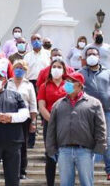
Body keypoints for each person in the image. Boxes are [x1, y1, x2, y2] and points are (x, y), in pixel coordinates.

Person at [46, 71, 107, 186]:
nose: (66, 84)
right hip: (64, 151)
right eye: (66, 81)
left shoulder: (94, 103)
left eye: (70, 82)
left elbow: (101, 128)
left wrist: (100, 147)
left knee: (87, 183)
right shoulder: (58, 104)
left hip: (85, 151)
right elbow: (51, 130)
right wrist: (51, 149)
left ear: (79, 85)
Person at [78, 46, 110, 181]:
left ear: (99, 56)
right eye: (89, 54)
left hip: (106, 111)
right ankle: (87, 171)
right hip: (86, 112)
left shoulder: (108, 73)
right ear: (85, 58)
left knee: (108, 140)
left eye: (94, 53)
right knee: (87, 140)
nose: (92, 56)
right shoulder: (80, 73)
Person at [37, 57, 68, 186]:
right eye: (54, 67)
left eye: (59, 67)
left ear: (64, 70)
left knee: (65, 155)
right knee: (50, 155)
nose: (56, 69)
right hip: (49, 124)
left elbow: (73, 102)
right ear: (50, 70)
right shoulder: (44, 85)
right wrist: (52, 120)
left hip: (67, 124)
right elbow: (41, 106)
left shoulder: (69, 85)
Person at [6, 60, 38, 179]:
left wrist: (33, 122)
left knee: (23, 145)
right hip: (10, 118)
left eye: (21, 68)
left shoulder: (29, 85)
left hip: (24, 119)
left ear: (25, 70)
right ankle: (10, 169)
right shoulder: (7, 83)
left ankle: (22, 170)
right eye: (17, 67)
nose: (19, 70)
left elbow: (33, 104)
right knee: (10, 145)